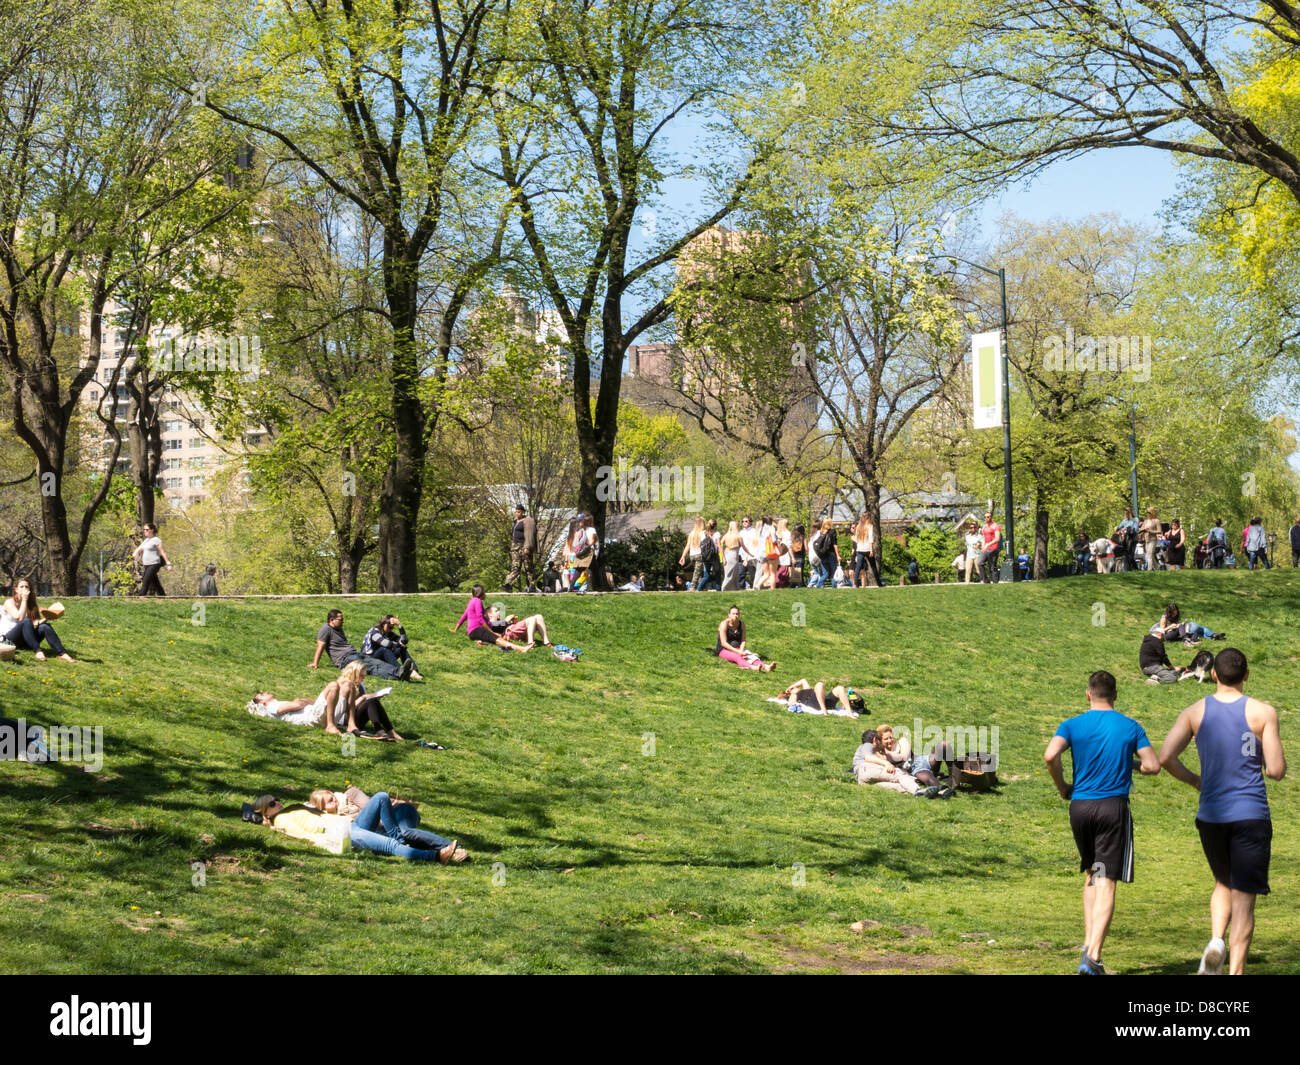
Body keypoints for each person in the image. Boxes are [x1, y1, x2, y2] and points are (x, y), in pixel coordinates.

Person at [1158, 648, 1286, 975]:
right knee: (1244, 897)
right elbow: (1275, 770)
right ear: (1247, 676)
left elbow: (1165, 758)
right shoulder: (1263, 713)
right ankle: (1235, 972)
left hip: (1211, 815)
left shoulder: (1194, 712)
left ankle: (1216, 941)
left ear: (1213, 674)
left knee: (1222, 881)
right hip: (1250, 815)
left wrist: (1196, 780)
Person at [1043, 669, 1160, 974]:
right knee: (1106, 880)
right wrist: (1129, 762)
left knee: (1092, 872)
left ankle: (1088, 945)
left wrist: (1062, 786)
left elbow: (1049, 755)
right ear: (1116, 696)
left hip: (1080, 807)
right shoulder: (1130, 726)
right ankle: (1093, 957)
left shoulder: (1071, 725)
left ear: (1088, 694)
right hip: (1112, 809)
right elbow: (1152, 765)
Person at [251, 791, 466, 863]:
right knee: (390, 845)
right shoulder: (281, 820)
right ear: (266, 813)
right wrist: (326, 843)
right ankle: (436, 857)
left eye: (276, 799)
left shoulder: (291, 809)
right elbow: (302, 834)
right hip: (338, 833)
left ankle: (402, 841)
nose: (277, 803)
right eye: (271, 804)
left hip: (346, 824)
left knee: (382, 797)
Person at [308, 787, 469, 863]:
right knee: (401, 836)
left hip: (398, 812)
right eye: (329, 801)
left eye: (331, 795)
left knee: (402, 830)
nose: (333, 799)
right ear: (323, 809)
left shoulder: (351, 794)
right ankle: (439, 851)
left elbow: (377, 809)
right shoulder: (334, 820)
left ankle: (454, 847)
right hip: (383, 829)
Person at [247, 661, 400, 738]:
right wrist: (300, 701)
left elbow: (300, 703)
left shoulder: (278, 702)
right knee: (334, 685)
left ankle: (351, 726)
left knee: (348, 686)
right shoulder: (272, 706)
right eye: (261, 694)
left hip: (318, 713)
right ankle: (331, 726)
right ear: (261, 701)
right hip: (313, 717)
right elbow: (286, 708)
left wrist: (302, 701)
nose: (266, 692)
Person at [311, 608, 411, 680]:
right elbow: (320, 646)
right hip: (344, 659)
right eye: (341, 620)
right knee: (370, 667)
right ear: (331, 620)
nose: (343, 622)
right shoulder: (325, 629)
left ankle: (399, 672)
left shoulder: (338, 629)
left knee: (377, 663)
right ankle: (398, 673)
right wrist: (315, 663)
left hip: (354, 654)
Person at [1, 579, 74, 662]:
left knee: (45, 627)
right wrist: (24, 600)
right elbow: (19, 618)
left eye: (26, 587)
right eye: (21, 586)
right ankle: (38, 651)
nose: (24, 588)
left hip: (24, 641)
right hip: (9, 640)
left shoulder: (31, 605)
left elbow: (35, 623)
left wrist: (48, 617)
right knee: (26, 621)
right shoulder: (10, 602)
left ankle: (62, 654)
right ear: (16, 590)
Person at [453, 586, 532, 651]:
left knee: (499, 638)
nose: (485, 594)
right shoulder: (477, 601)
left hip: (473, 632)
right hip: (477, 630)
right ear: (481, 593)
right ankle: (522, 649)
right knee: (498, 639)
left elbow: (464, 616)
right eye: (484, 592)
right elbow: (480, 619)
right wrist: (491, 632)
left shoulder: (472, 602)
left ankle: (515, 647)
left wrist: (455, 629)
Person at [852, 729, 920, 794]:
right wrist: (886, 763)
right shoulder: (867, 745)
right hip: (866, 769)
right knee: (898, 774)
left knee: (896, 786)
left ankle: (921, 793)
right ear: (875, 740)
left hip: (862, 780)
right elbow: (868, 757)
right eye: (880, 740)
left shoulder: (865, 751)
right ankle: (916, 790)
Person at [362, 614, 424, 681]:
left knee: (401, 649)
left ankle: (414, 671)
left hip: (381, 657)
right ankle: (401, 672)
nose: (390, 629)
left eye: (391, 628)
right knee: (384, 649)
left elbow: (404, 641)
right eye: (389, 627)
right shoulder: (374, 632)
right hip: (369, 659)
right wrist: (398, 644)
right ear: (384, 623)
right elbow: (385, 643)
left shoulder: (388, 633)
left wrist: (400, 625)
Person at [714, 605, 775, 671]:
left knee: (749, 656)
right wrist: (738, 652)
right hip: (723, 650)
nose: (735, 615)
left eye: (737, 614)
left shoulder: (742, 625)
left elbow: (743, 640)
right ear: (729, 615)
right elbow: (723, 643)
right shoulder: (724, 624)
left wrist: (741, 650)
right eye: (733, 614)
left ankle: (766, 666)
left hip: (737, 648)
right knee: (737, 657)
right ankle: (753, 667)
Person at [778, 678, 862, 716]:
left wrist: (790, 686)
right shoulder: (794, 695)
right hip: (813, 703)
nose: (795, 688)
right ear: (788, 694)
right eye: (792, 689)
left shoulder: (805, 690)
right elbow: (792, 704)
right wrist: (790, 692)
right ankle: (824, 711)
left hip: (824, 701)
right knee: (819, 685)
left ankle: (849, 713)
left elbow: (803, 680)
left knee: (840, 688)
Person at [1150, 602, 1224, 646]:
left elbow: (1177, 626)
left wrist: (1180, 624)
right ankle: (1212, 635)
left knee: (1197, 631)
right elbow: (1162, 631)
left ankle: (1213, 636)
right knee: (1198, 629)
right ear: (1169, 612)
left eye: (1176, 613)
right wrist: (1170, 627)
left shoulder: (1176, 616)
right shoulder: (1164, 617)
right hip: (1168, 634)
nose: (1175, 615)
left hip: (1176, 632)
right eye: (1173, 613)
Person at [503, 504, 538, 593]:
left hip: (524, 546)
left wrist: (527, 547)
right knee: (515, 567)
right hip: (515, 547)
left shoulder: (528, 521)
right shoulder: (515, 521)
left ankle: (532, 585)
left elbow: (530, 535)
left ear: (522, 512)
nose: (517, 513)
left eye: (518, 512)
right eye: (516, 512)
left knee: (528, 567)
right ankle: (508, 584)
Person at [132, 522, 172, 596]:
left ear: (152, 530)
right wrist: (135, 553)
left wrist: (168, 564)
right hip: (147, 565)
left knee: (145, 580)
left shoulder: (156, 540)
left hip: (154, 564)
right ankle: (163, 595)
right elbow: (140, 548)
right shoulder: (146, 540)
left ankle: (140, 597)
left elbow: (163, 552)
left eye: (146, 529)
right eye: (144, 529)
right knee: (155, 583)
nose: (144, 531)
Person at [487, 605, 553, 647]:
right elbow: (493, 629)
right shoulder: (490, 623)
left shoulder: (500, 622)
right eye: (496, 611)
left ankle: (546, 642)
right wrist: (506, 620)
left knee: (539, 616)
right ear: (490, 615)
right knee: (532, 619)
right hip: (510, 632)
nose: (499, 612)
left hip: (515, 630)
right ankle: (530, 643)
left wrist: (514, 622)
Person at [678, 517, 705, 591]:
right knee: (697, 572)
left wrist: (683, 556)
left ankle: (700, 587)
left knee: (698, 571)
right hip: (699, 554)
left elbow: (687, 545)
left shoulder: (691, 533)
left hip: (692, 555)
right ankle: (692, 587)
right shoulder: (703, 533)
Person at [978, 510, 1002, 583]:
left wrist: (988, 544)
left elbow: (997, 539)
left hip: (994, 548)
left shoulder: (996, 526)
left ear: (991, 517)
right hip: (986, 548)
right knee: (980, 563)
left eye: (988, 517)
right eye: (985, 517)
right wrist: (983, 545)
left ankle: (995, 581)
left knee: (992, 566)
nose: (986, 518)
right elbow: (984, 537)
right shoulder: (984, 526)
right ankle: (985, 580)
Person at [721, 520, 743, 591]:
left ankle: (735, 588)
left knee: (734, 573)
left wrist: (722, 557)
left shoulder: (725, 536)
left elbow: (720, 545)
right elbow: (744, 546)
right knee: (730, 573)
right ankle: (724, 588)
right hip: (733, 555)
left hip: (727, 553)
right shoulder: (738, 536)